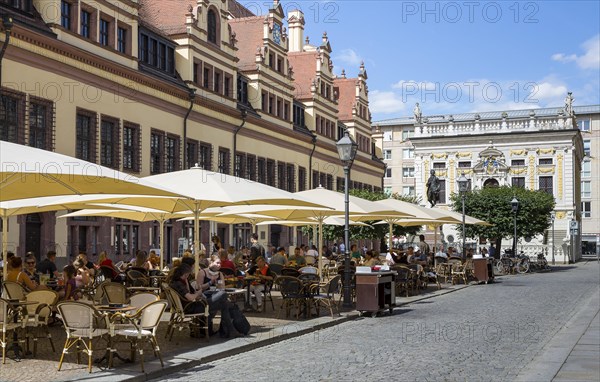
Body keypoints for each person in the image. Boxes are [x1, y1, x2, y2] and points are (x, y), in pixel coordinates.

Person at [194, 255, 236, 337]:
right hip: (205, 299)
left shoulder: (220, 274)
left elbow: (222, 288)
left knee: (224, 303)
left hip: (216, 297)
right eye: (217, 263)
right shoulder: (203, 272)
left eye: (220, 263)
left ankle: (229, 330)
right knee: (225, 299)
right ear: (211, 262)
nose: (219, 265)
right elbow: (198, 288)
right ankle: (228, 330)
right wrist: (210, 282)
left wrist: (219, 286)